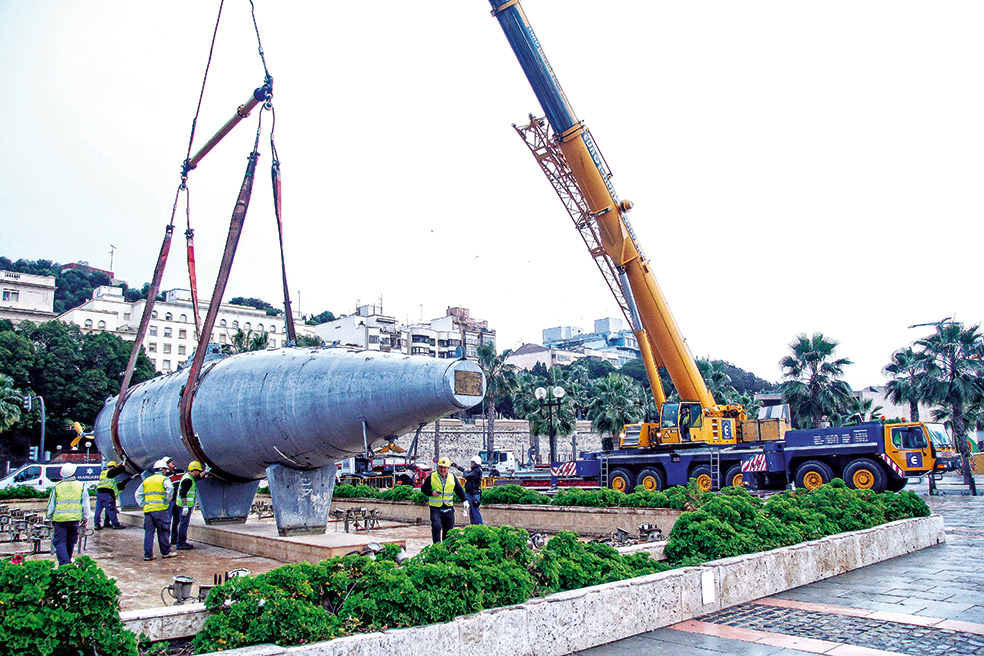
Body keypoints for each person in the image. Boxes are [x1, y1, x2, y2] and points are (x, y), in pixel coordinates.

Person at [46, 463, 92, 566]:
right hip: (74, 520)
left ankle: (64, 563)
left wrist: (49, 516)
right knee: (71, 541)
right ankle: (67, 561)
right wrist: (85, 517)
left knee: (60, 541)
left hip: (59, 520)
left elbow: (51, 504)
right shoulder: (81, 485)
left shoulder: (57, 486)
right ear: (74, 473)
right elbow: (85, 503)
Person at [135, 459, 175, 561]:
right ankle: (165, 552)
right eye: (165, 469)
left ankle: (148, 555)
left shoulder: (147, 480)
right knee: (163, 531)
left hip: (149, 511)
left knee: (149, 533)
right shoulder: (164, 480)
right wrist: (167, 500)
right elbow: (170, 489)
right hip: (161, 510)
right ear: (162, 470)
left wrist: (143, 504)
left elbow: (138, 494)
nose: (166, 471)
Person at [420, 457, 466, 543]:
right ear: (438, 467)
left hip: (448, 508)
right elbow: (423, 489)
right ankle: (437, 547)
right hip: (436, 508)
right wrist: (431, 493)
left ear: (448, 468)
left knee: (448, 530)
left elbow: (459, 490)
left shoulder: (452, 477)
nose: (443, 470)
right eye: (441, 467)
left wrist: (465, 500)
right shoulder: (432, 476)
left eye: (445, 468)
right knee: (436, 526)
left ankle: (446, 549)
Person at [172, 461, 205, 550]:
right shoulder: (188, 480)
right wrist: (185, 506)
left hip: (181, 505)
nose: (198, 473)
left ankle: (177, 541)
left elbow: (197, 478)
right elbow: (183, 493)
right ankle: (181, 543)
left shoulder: (188, 476)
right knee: (183, 524)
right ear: (194, 470)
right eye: (198, 471)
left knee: (181, 523)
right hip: (184, 506)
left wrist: (206, 472)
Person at [94, 460, 129, 530]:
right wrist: (124, 461)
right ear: (113, 467)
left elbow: (116, 470)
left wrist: (119, 464)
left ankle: (97, 524)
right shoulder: (110, 472)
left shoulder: (103, 472)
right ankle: (116, 524)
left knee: (98, 510)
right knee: (111, 509)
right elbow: (120, 470)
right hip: (106, 493)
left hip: (99, 493)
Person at [461, 455, 484, 525]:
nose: (471, 464)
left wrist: (465, 472)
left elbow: (467, 476)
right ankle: (474, 526)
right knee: (472, 511)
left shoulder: (477, 471)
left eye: (472, 463)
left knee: (475, 511)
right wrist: (458, 467)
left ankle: (479, 527)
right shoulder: (476, 470)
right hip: (472, 493)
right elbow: (467, 473)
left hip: (474, 493)